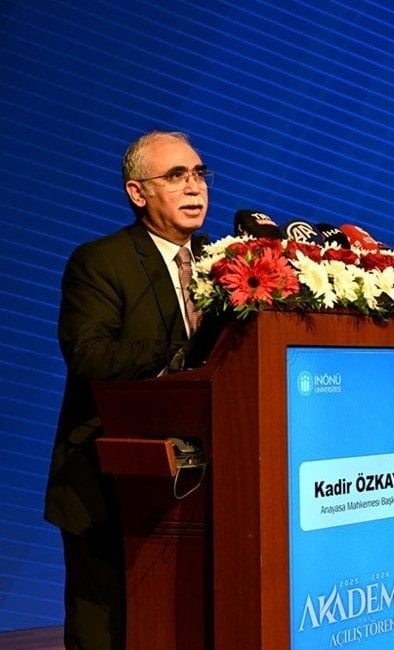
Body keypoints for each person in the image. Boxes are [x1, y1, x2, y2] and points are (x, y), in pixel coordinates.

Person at [43, 130, 212, 648]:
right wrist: (182, 352)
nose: (194, 187)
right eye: (176, 176)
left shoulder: (225, 262)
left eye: (199, 174)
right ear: (138, 193)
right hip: (109, 477)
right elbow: (89, 355)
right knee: (106, 631)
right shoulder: (101, 261)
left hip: (202, 476)